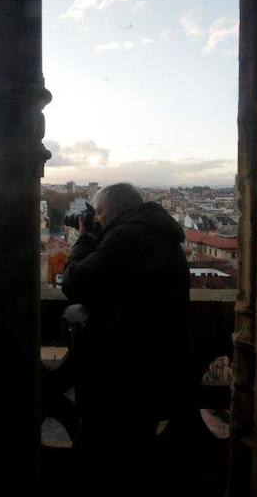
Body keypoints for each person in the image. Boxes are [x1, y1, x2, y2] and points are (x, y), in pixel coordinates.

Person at [61, 182, 193, 490]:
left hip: (124, 371)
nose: (95, 219)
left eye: (99, 212)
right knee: (134, 450)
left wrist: (83, 239)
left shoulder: (126, 237)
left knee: (99, 454)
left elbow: (75, 282)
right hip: (157, 364)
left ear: (116, 210)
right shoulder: (159, 232)